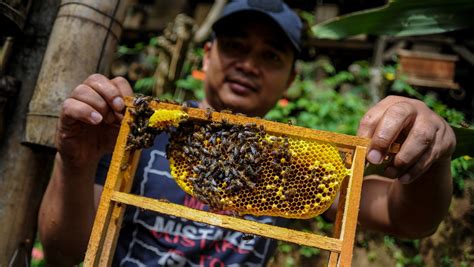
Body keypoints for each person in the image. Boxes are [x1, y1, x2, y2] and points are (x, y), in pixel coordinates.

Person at [38, 0, 456, 266]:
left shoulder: (298, 163)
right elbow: (64, 252)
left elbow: (408, 218)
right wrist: (74, 163)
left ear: (291, 79)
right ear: (208, 54)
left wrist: (430, 157)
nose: (249, 65)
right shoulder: (140, 136)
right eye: (235, 46)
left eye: (270, 56)